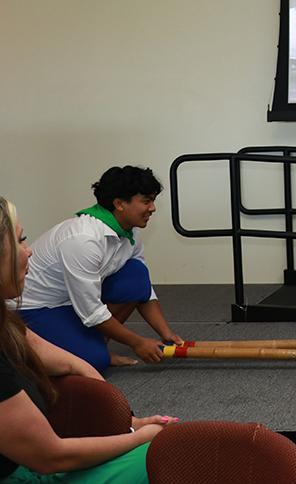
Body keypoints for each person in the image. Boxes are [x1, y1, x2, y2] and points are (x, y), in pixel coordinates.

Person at [0, 196, 179, 484]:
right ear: (120, 203)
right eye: (21, 241)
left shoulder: (5, 325)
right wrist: (143, 436)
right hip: (27, 471)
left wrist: (126, 421)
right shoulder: (81, 238)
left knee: (90, 359)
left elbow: (72, 364)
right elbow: (50, 457)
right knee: (171, 452)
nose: (29, 251)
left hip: (26, 463)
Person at [18, 167, 182, 374]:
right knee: (94, 361)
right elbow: (91, 311)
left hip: (72, 301)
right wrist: (137, 342)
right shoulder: (82, 239)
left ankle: (92, 343)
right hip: (34, 308)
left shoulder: (130, 230)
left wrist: (165, 332)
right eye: (146, 201)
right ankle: (18, 346)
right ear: (119, 203)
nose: (153, 208)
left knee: (136, 273)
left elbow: (142, 287)